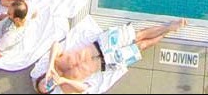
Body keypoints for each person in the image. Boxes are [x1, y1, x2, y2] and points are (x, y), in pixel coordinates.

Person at [35, 20, 186, 93]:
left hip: (101, 45)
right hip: (107, 63)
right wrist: (62, 80)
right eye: (48, 88)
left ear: (44, 77)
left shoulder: (56, 61)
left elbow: (55, 44)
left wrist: (49, 68)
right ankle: (166, 33)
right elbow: (84, 89)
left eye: (44, 82)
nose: (48, 84)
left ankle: (169, 26)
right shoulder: (65, 86)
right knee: (141, 46)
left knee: (138, 35)